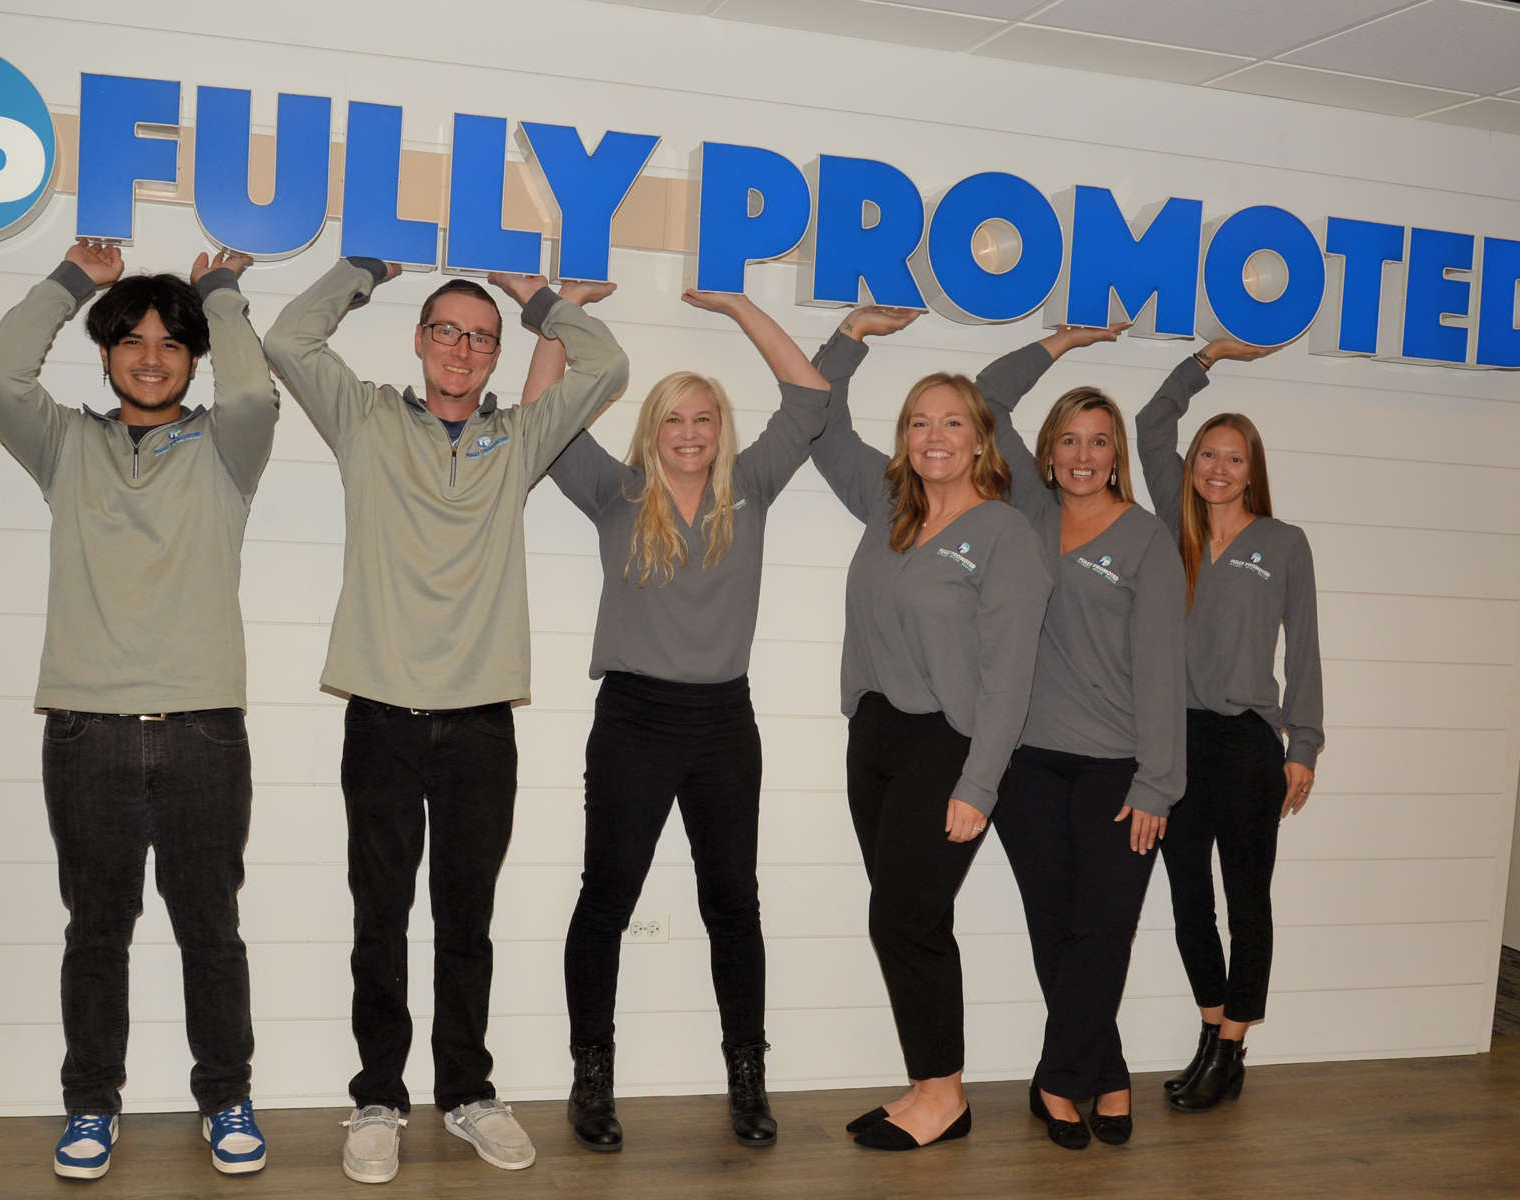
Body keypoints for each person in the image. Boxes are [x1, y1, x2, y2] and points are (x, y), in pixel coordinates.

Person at [262, 259, 627, 1182]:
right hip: (381, 718)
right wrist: (364, 269)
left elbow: (608, 366)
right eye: (447, 331)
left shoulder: (519, 438)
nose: (461, 349)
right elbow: (288, 340)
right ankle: (378, 1099)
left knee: (468, 923)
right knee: (379, 921)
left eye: (480, 337)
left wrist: (539, 300)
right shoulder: (367, 419)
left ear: (497, 354)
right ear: (420, 340)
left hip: (480, 727)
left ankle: (466, 1091)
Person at [0, 240, 279, 1180]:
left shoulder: (226, 449)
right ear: (104, 354)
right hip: (86, 731)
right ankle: (91, 1106)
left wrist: (219, 295)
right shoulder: (66, 444)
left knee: (210, 931)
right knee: (96, 933)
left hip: (203, 730)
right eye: (132, 341)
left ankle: (226, 1096)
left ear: (194, 357)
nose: (151, 357)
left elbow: (254, 394)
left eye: (171, 343)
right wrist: (73, 282)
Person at [519, 286, 830, 1152]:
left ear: (720, 429)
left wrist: (739, 307)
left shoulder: (751, 487)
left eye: (703, 417)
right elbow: (539, 413)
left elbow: (810, 399)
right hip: (635, 720)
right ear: (650, 431)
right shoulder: (616, 493)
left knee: (734, 905)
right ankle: (592, 1078)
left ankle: (747, 1077)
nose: (689, 433)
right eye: (672, 420)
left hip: (724, 723)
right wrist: (555, 313)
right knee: (606, 899)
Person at [807, 307, 1052, 1152]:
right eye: (919, 422)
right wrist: (850, 337)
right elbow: (819, 422)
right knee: (908, 916)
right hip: (875, 735)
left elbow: (1011, 676)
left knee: (903, 918)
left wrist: (979, 785)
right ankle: (929, 1085)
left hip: (950, 743)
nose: (934, 436)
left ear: (982, 439)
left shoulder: (1006, 534)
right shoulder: (889, 505)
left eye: (952, 423)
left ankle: (943, 1096)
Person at [975, 324, 1186, 1150]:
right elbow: (988, 398)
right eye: (1068, 439)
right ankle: (1108, 1073)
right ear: (1049, 452)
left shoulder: (1146, 538)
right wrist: (1060, 343)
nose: (1083, 455)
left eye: (1099, 441)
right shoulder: (1028, 512)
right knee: (1055, 929)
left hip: (1117, 770)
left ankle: (1058, 1082)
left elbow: (1163, 671)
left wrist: (1158, 784)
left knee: (1104, 930)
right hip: (1026, 763)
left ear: (1117, 454)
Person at [1134, 340, 1324, 1112]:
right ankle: (1212, 1031)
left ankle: (1234, 1047)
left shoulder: (1283, 544)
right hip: (1174, 742)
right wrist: (1207, 357)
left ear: (1253, 472)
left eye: (1234, 459)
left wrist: (1303, 744)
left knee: (1247, 903)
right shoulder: (1170, 528)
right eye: (1207, 455)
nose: (1217, 468)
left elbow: (1304, 650)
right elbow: (1151, 424)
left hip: (1247, 744)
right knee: (1189, 903)